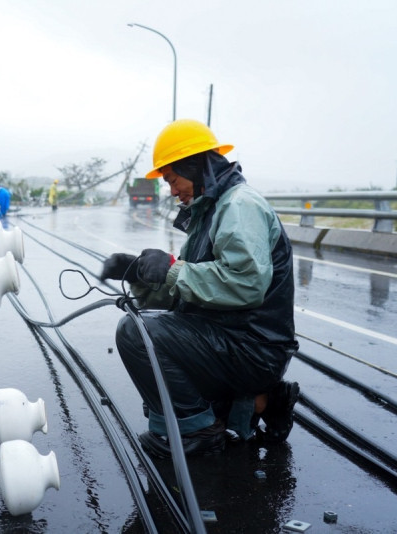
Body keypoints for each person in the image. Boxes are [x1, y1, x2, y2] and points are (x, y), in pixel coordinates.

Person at [101, 119, 300, 458]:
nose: (173, 190)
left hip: (252, 347)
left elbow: (246, 285)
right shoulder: (212, 209)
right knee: (156, 343)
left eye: (173, 179)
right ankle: (261, 401)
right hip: (234, 339)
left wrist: (174, 270)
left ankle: (198, 430)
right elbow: (191, 289)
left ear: (196, 167)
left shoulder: (239, 206)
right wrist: (138, 274)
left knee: (138, 334)